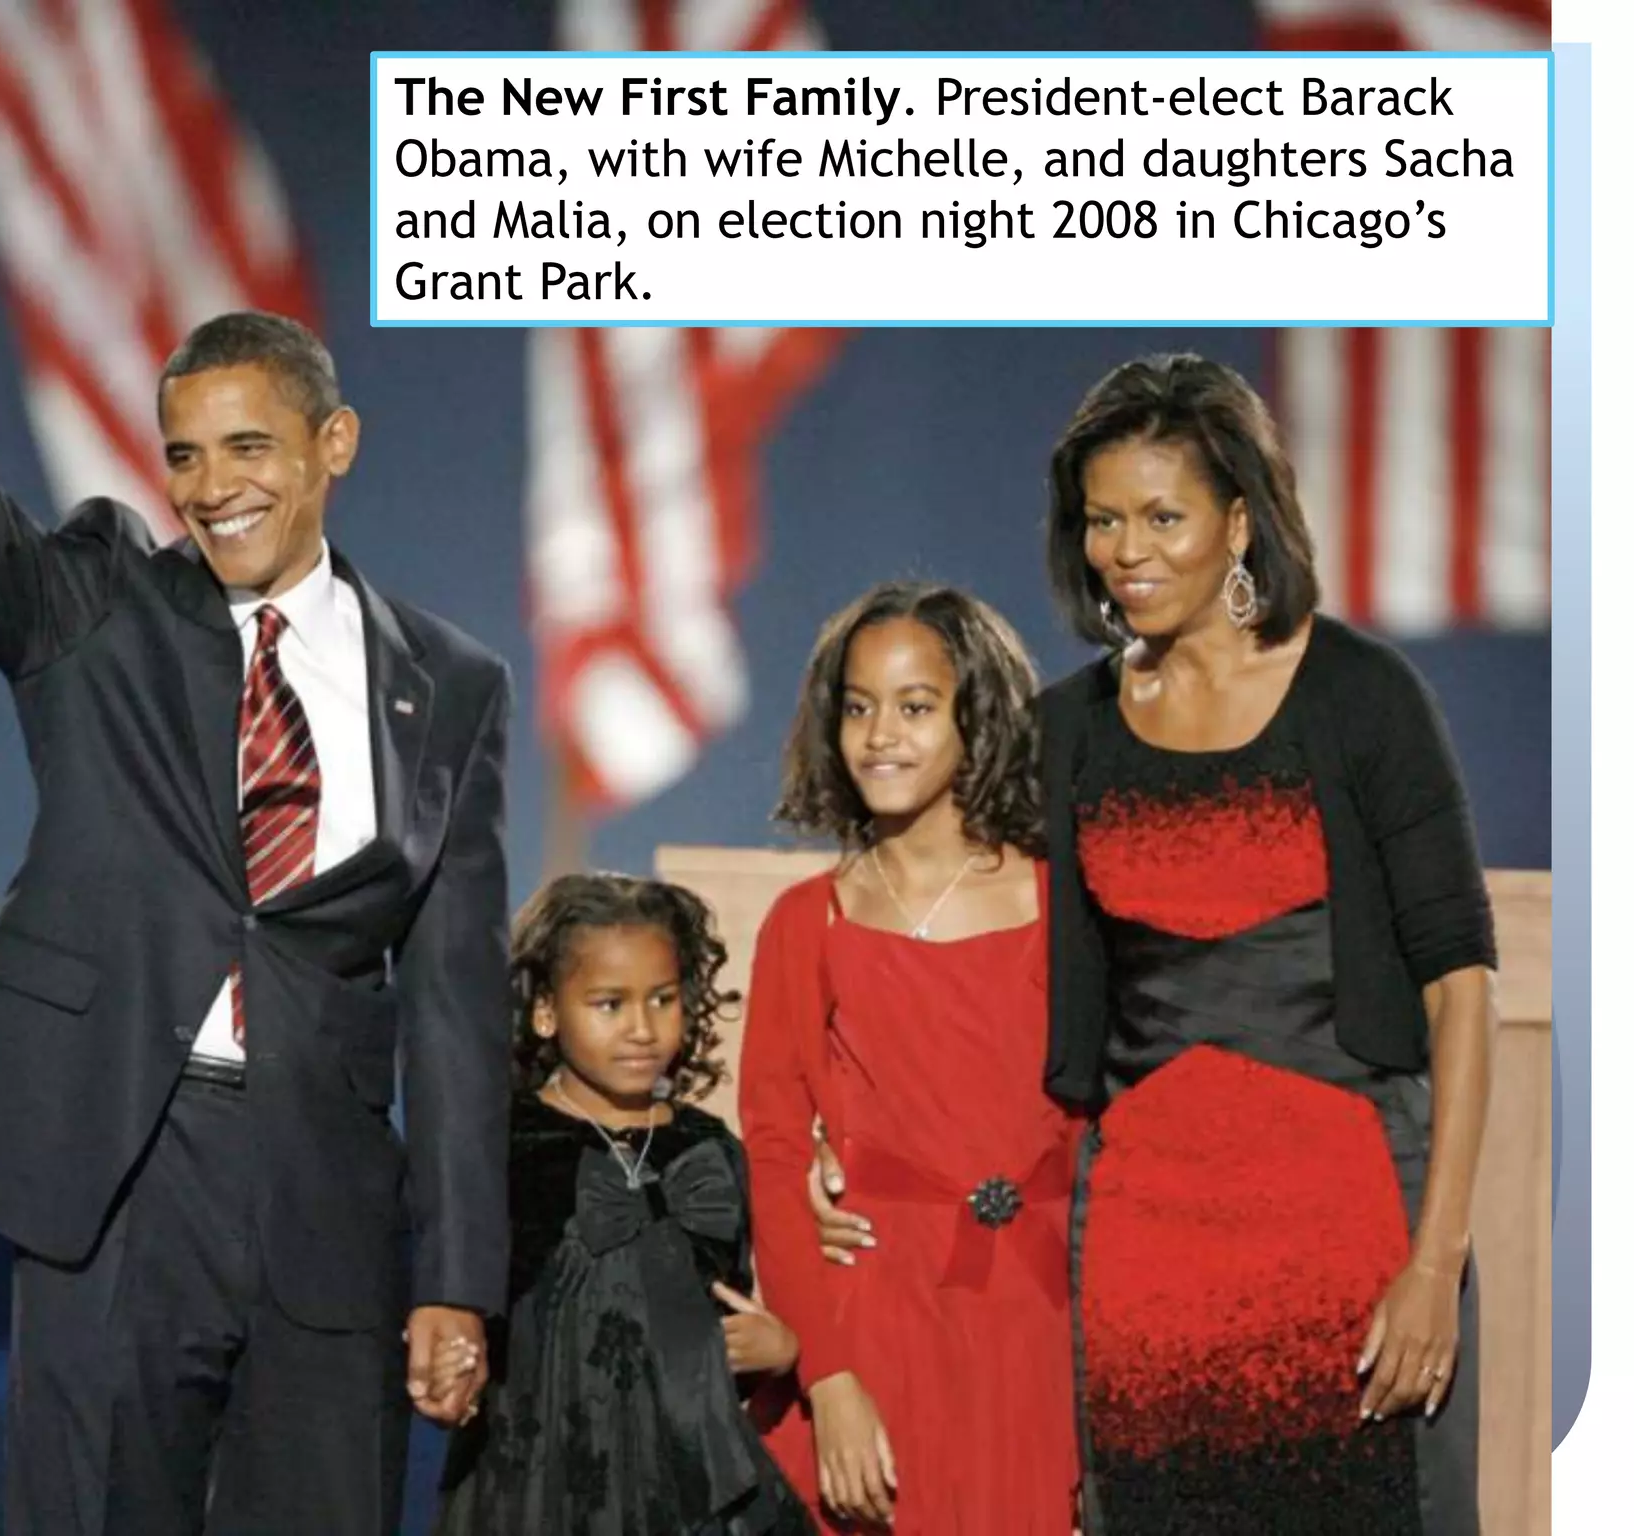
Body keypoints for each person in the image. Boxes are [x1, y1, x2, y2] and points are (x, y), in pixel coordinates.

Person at [0, 27, 513, 1534]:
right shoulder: (99, 602)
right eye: (185, 455)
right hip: (119, 1169)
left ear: (333, 446)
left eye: (250, 446)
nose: (214, 482)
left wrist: (456, 1280)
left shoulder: (454, 683)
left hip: (324, 1198)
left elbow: (456, 1003)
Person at [813, 358, 1494, 1534]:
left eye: (1161, 516)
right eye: (1101, 521)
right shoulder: (1066, 730)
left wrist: (1433, 1266)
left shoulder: (1359, 694)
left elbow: (1461, 988)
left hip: (1355, 1239)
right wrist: (854, 1148)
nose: (1125, 551)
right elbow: (962, 935)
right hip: (1144, 1261)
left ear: (1238, 520)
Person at [739, 583, 1082, 1533]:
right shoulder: (808, 924)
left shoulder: (1065, 906)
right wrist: (830, 1374)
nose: (880, 734)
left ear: (980, 718)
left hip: (1041, 1327)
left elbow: (1110, 1119)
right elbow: (772, 1149)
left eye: (916, 706)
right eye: (858, 706)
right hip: (878, 1321)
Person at [436, 874, 814, 1536]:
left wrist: (778, 1352)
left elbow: (723, 1313)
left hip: (690, 1486)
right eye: (610, 1005)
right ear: (547, 1011)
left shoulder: (709, 1150)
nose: (643, 1029)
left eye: (663, 999)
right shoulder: (500, 1145)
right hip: (538, 1479)